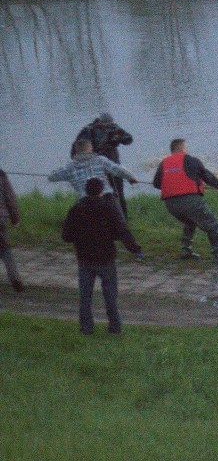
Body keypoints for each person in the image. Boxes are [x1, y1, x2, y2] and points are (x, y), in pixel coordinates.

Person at [62, 178, 143, 335]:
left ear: (86, 191)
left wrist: (80, 236)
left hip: (84, 257)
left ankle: (86, 328)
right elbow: (122, 229)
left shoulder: (76, 209)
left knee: (85, 295)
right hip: (106, 257)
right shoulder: (108, 207)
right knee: (110, 295)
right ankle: (114, 327)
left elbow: (66, 236)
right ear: (101, 191)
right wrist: (134, 248)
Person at [153, 139, 218, 266]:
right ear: (182, 148)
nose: (187, 150)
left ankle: (185, 250)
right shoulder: (191, 160)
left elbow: (156, 184)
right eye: (186, 147)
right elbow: (206, 175)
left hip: (170, 205)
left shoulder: (163, 163)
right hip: (190, 201)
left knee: (190, 221)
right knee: (213, 224)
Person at [50, 138, 138, 217]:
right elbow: (117, 169)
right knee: (119, 224)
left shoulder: (69, 167)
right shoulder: (100, 160)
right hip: (106, 198)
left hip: (84, 202)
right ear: (90, 148)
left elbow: (52, 177)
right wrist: (130, 177)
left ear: (76, 150)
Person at [72, 113, 134, 218]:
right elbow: (77, 148)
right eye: (105, 125)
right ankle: (97, 219)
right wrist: (97, 147)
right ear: (99, 122)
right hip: (95, 167)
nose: (107, 127)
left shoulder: (114, 128)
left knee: (118, 194)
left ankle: (123, 220)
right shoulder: (89, 130)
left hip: (113, 165)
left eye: (109, 124)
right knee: (98, 194)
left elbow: (129, 139)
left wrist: (118, 138)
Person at [0, 168, 24, 292]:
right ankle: (15, 278)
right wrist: (15, 219)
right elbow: (10, 198)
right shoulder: (1, 175)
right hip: (1, 218)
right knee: (5, 250)